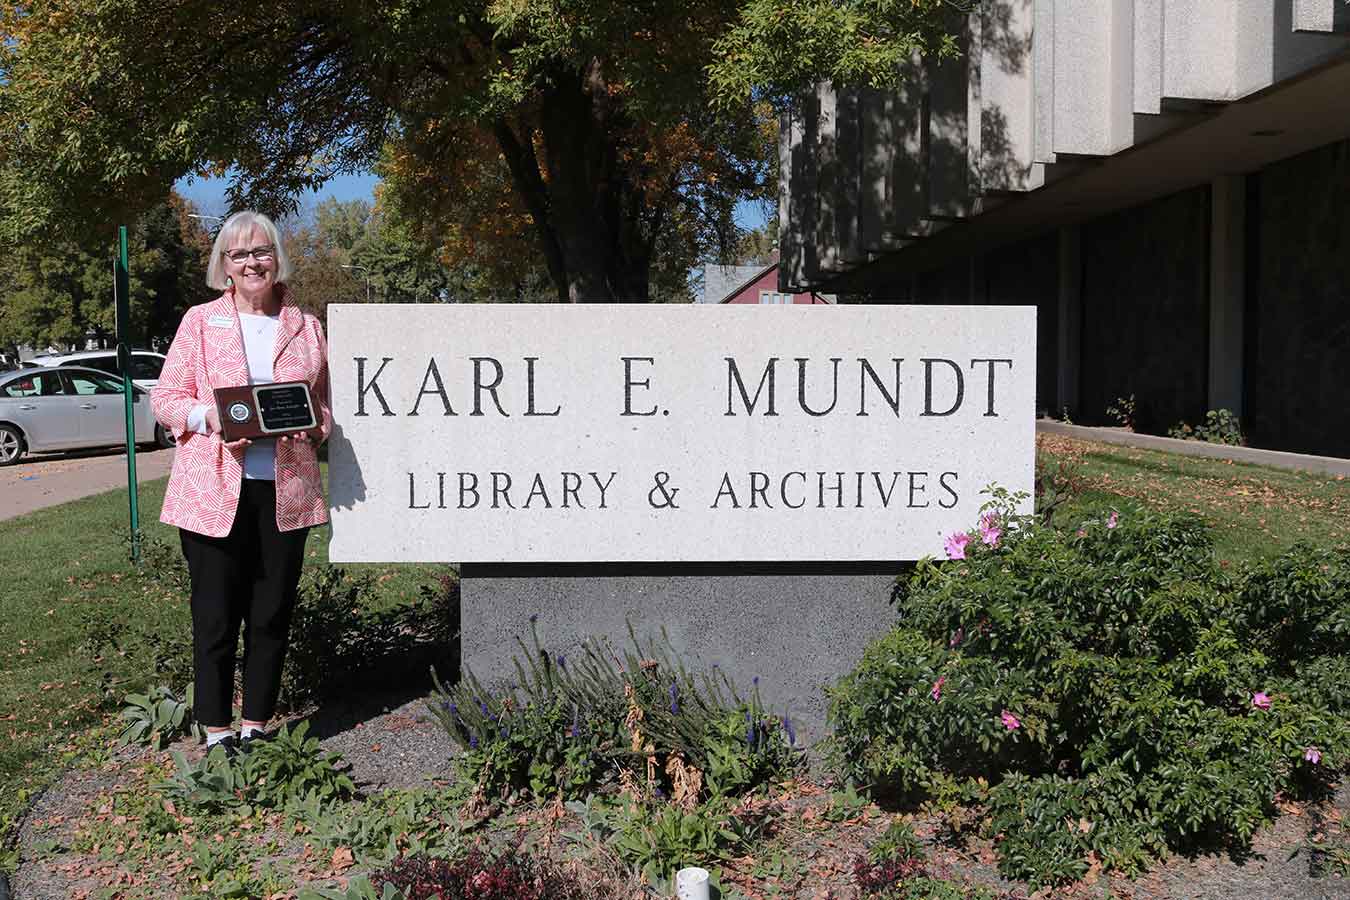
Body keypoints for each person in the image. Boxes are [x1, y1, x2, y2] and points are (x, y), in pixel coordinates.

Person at [152, 210, 332, 755]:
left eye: (262, 251)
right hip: (213, 489)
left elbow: (323, 410)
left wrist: (311, 425)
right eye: (239, 254)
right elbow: (165, 400)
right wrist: (210, 418)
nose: (252, 262)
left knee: (272, 610)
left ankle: (255, 724)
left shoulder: (307, 326)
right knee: (215, 614)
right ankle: (215, 730)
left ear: (277, 258)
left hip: (286, 488)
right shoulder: (201, 322)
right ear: (224, 266)